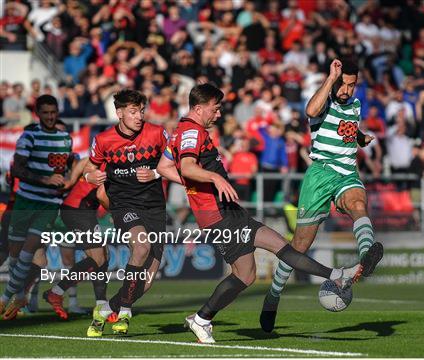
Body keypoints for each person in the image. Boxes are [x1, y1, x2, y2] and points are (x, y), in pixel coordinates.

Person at [157, 83, 363, 343]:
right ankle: (202, 319)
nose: (219, 114)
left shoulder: (181, 132)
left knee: (267, 256)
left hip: (228, 211)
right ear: (198, 108)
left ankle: (336, 275)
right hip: (218, 216)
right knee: (253, 269)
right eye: (215, 109)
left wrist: (197, 185)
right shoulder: (191, 132)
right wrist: (213, 179)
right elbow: (186, 166)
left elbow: (164, 167)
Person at [259, 59, 384, 333]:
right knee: (300, 246)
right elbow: (310, 110)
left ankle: (366, 256)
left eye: (352, 85)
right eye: (344, 84)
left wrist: (361, 139)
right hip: (319, 174)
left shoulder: (356, 106)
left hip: (346, 172)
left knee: (358, 204)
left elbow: (348, 132)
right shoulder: (324, 101)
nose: (348, 90)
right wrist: (330, 79)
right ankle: (273, 296)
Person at [83, 89, 168, 335]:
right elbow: (89, 167)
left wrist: (155, 173)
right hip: (124, 205)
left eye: (141, 111)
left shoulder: (157, 133)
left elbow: (175, 162)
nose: (139, 116)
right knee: (141, 247)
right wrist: (91, 176)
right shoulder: (103, 140)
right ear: (119, 113)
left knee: (148, 281)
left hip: (154, 207)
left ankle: (105, 309)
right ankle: (125, 314)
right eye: (133, 112)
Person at [0, 95, 74, 320]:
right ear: (38, 114)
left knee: (28, 250)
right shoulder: (28, 137)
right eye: (46, 113)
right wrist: (45, 180)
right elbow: (19, 171)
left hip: (49, 204)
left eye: (53, 112)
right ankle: (21, 295)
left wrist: (67, 180)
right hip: (24, 201)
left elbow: (65, 170)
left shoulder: (65, 138)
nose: (50, 116)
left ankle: (4, 298)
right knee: (15, 255)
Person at [43, 157, 112, 337]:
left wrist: (70, 181)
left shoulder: (95, 159)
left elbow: (83, 162)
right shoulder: (111, 163)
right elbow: (101, 196)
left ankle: (101, 305)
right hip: (78, 211)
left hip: (80, 212)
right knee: (98, 258)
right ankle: (56, 292)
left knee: (102, 256)